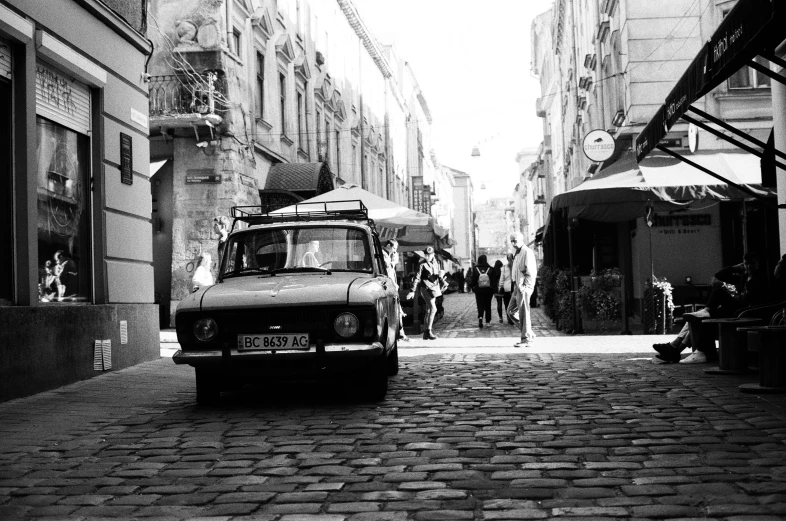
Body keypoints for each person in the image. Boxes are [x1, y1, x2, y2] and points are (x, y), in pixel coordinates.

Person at [653, 252, 773, 364]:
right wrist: (736, 267)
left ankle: (680, 347)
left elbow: (747, 299)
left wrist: (733, 299)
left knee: (719, 292)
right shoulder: (742, 278)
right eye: (746, 264)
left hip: (745, 311)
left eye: (752, 263)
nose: (749, 267)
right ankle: (676, 349)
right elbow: (720, 275)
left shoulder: (760, 279)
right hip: (737, 309)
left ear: (758, 264)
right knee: (696, 317)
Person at [507, 232, 538, 347]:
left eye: (515, 240)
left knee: (524, 313)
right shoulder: (516, 253)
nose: (513, 243)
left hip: (523, 287)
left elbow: (531, 271)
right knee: (510, 311)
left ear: (521, 240)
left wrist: (525, 286)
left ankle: (526, 338)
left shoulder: (526, 252)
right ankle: (528, 333)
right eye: (511, 241)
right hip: (516, 287)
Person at [406, 246, 442, 340]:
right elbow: (417, 277)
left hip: (433, 288)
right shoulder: (422, 264)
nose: (427, 257)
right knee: (433, 308)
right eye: (426, 255)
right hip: (425, 288)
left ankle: (426, 333)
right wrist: (412, 290)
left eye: (429, 255)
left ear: (433, 254)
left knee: (429, 310)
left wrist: (441, 277)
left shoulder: (436, 263)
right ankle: (428, 331)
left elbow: (436, 275)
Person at [382, 239, 409, 342]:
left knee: (397, 309)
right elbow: (387, 266)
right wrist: (393, 261)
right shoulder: (382, 254)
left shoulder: (390, 254)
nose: (395, 251)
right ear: (388, 245)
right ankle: (398, 334)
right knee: (393, 310)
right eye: (394, 248)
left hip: (393, 285)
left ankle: (400, 334)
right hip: (387, 286)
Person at [472, 255, 499, 328]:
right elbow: (494, 281)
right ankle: (488, 321)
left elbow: (473, 280)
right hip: (488, 290)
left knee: (480, 304)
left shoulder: (475, 269)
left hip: (479, 290)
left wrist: (473, 288)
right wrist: (495, 290)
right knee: (488, 305)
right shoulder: (491, 269)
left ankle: (480, 317)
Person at [498, 254, 515, 325]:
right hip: (515, 287)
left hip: (506, 288)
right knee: (514, 304)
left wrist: (500, 287)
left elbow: (502, 279)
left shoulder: (504, 268)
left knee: (507, 304)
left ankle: (509, 318)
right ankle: (514, 318)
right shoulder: (516, 266)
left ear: (507, 259)